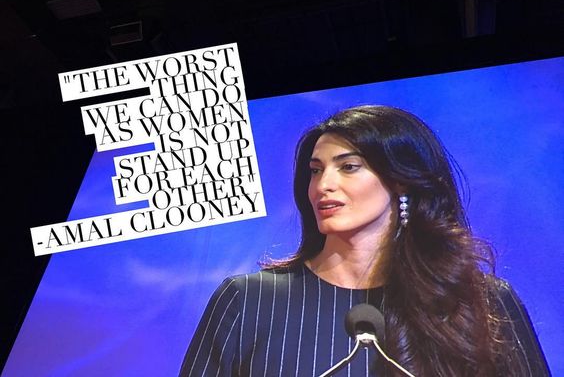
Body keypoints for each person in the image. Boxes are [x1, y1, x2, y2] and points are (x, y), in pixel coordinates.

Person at [179, 105, 551, 376]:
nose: (323, 185)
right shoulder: (249, 300)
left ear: (401, 181)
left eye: (348, 167)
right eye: (315, 171)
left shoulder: (482, 301)